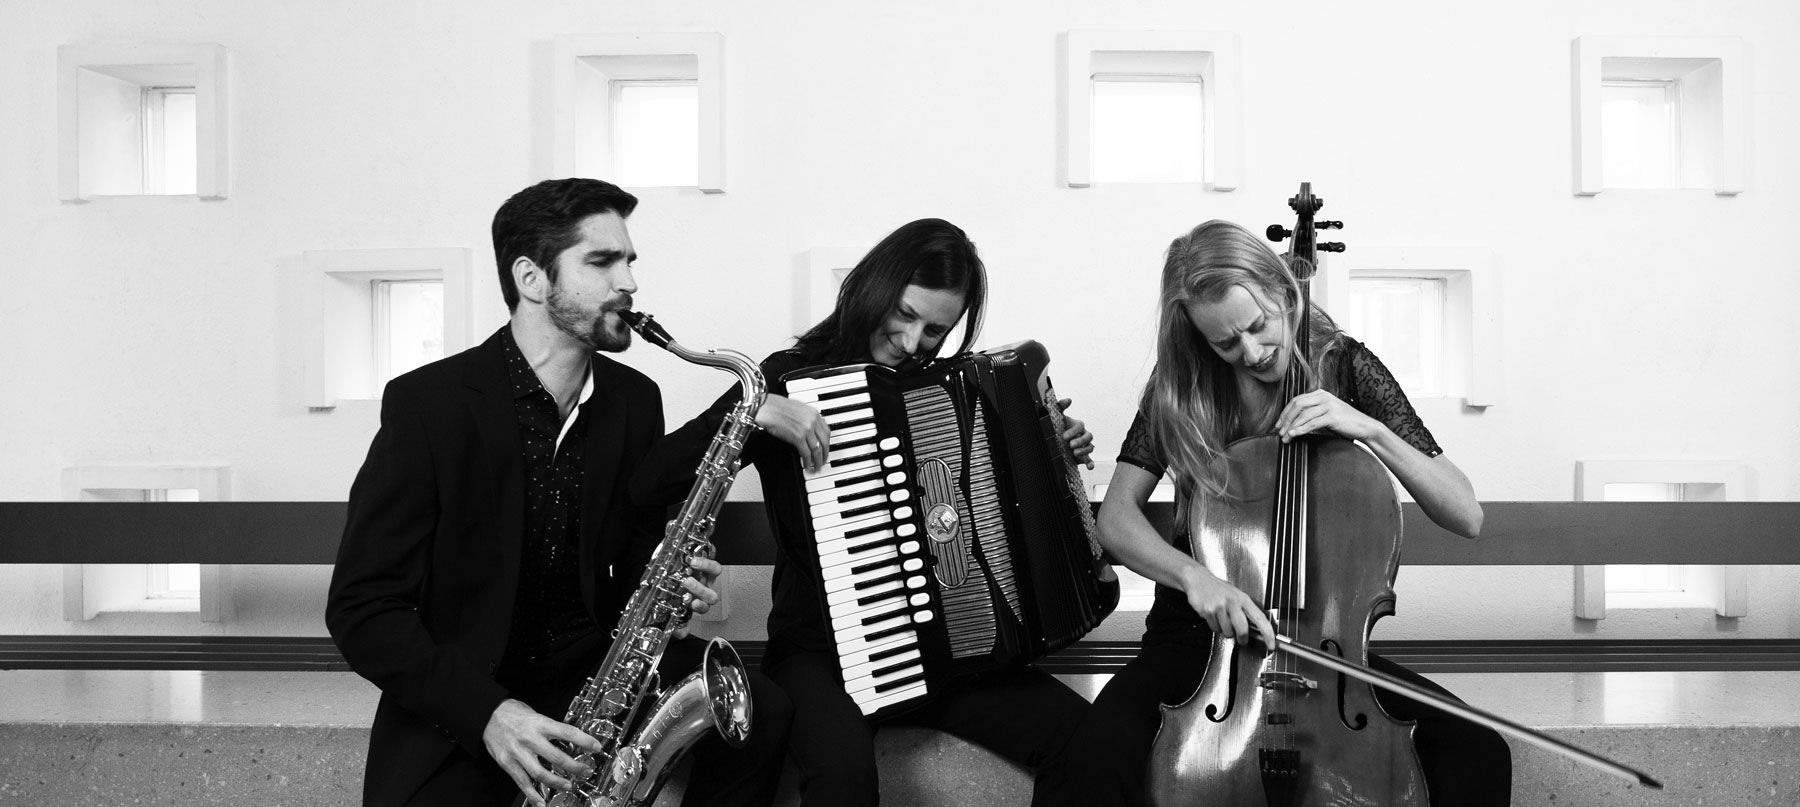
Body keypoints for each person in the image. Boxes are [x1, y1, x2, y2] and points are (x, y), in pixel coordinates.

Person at [325, 178, 792, 807]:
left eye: (629, 261)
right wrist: (489, 714)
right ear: (532, 279)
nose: (629, 282)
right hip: (472, 687)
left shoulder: (633, 400)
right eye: (602, 262)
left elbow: (629, 554)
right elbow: (361, 608)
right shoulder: (429, 405)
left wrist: (668, 586)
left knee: (762, 709)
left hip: (595, 667)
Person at [1036, 219, 1510, 806]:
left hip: (1324, 649)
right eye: (1225, 343)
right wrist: (1196, 579)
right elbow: (1116, 519)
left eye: (1259, 326)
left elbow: (1466, 514)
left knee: (1478, 750)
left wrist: (1369, 428)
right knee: (1093, 756)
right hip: (1200, 640)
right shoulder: (1184, 382)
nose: (1252, 352)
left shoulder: (1343, 364)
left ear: (1284, 292)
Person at [632, 218, 1098, 806]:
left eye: (934, 330)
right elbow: (651, 481)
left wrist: (1049, 445)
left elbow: (1006, 494)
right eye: (904, 313)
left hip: (949, 655)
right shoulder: (786, 377)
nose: (911, 341)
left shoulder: (951, 388)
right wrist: (754, 413)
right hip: (818, 657)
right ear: (873, 288)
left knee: (1090, 742)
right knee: (844, 779)